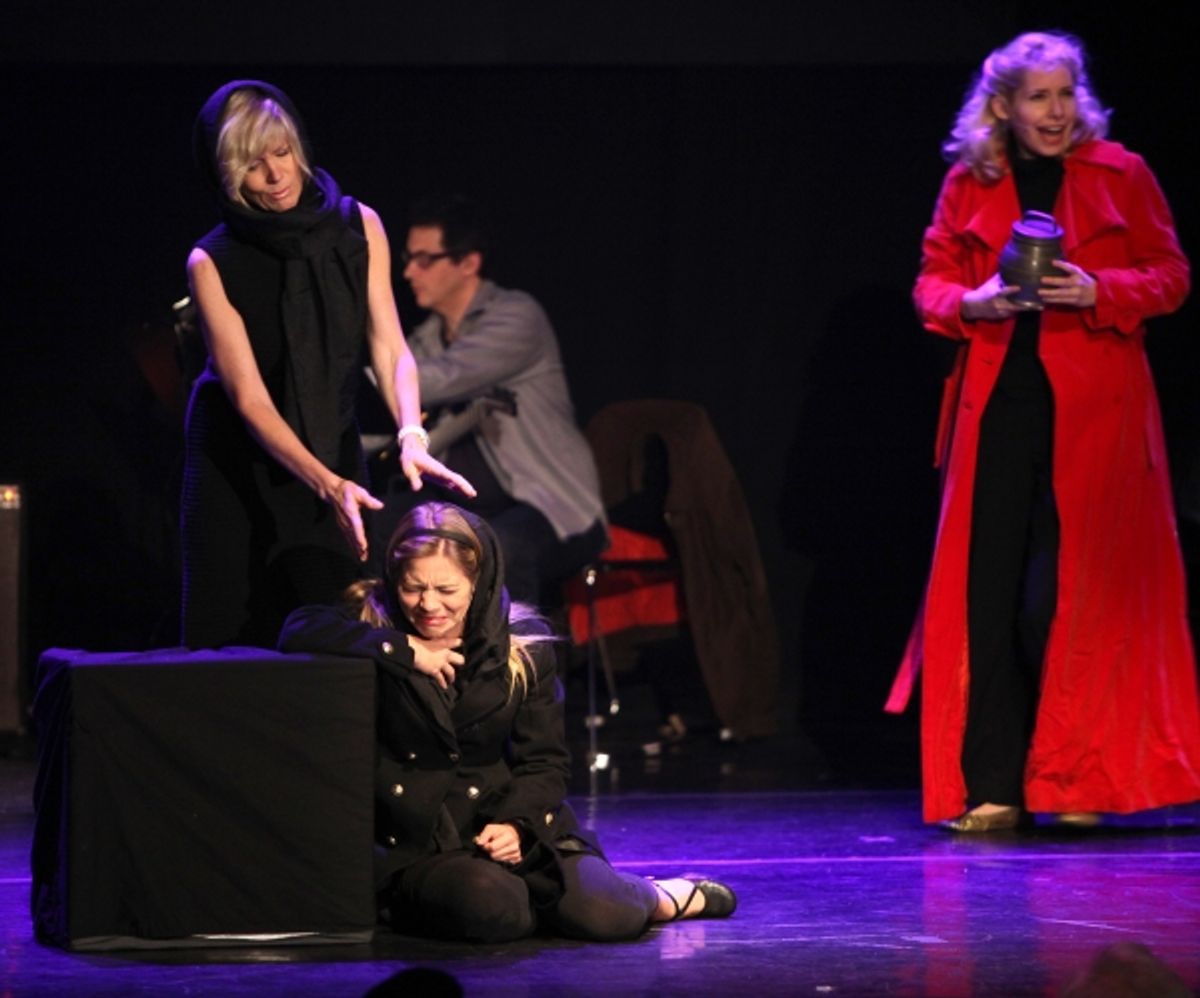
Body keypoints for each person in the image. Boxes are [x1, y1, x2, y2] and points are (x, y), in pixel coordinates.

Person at [886, 32, 1200, 830]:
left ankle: (1077, 784)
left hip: (1097, 413)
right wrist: (973, 303)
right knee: (984, 595)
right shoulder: (969, 181)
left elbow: (1171, 276)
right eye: (1038, 97)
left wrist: (1100, 288)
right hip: (993, 410)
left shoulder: (1121, 173)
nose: (1056, 111)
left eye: (1066, 94)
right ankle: (992, 787)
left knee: (1065, 599)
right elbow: (930, 280)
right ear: (1004, 106)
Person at [279, 502, 736, 942]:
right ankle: (519, 905)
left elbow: (545, 763)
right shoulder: (374, 623)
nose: (427, 605)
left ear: (478, 582)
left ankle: (660, 896)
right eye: (413, 587)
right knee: (492, 905)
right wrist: (404, 651)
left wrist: (518, 824)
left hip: (512, 827)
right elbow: (297, 629)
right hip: (425, 844)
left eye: (446, 590)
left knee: (606, 915)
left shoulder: (523, 650)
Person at [182, 81, 473, 649]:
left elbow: (389, 345)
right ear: (226, 175)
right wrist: (325, 482)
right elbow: (249, 399)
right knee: (230, 634)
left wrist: (412, 433)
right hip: (238, 459)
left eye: (282, 153)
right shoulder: (211, 260)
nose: (275, 175)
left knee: (337, 618)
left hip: (327, 441)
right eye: (253, 165)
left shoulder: (358, 226)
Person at [376, 194, 605, 609]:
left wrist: (373, 357)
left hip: (548, 505)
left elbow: (438, 380)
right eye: (408, 258)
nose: (408, 272)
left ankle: (518, 670)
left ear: (468, 263)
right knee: (378, 525)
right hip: (469, 502)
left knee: (499, 548)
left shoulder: (516, 317)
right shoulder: (426, 338)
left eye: (425, 260)